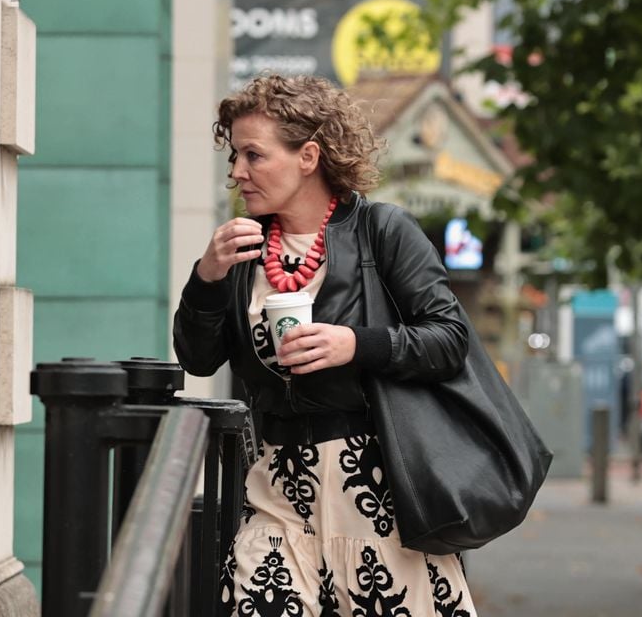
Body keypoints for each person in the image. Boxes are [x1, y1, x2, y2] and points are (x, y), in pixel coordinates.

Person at [173, 74, 477, 616]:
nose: (238, 172)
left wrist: (355, 344)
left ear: (308, 156)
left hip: (380, 487)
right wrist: (207, 277)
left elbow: (449, 339)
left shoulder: (382, 232)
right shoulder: (242, 247)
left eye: (253, 155)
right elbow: (198, 358)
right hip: (277, 487)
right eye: (235, 156)